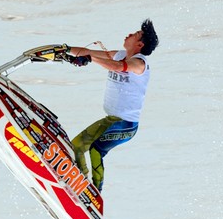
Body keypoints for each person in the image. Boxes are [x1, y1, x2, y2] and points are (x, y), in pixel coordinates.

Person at [64, 19, 159, 192]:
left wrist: (90, 59)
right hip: (110, 120)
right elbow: (86, 51)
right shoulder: (120, 55)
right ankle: (79, 183)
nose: (129, 34)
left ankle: (95, 192)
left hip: (126, 125)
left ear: (139, 44)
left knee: (96, 149)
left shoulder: (140, 64)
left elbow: (118, 67)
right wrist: (63, 49)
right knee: (75, 147)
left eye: (135, 34)